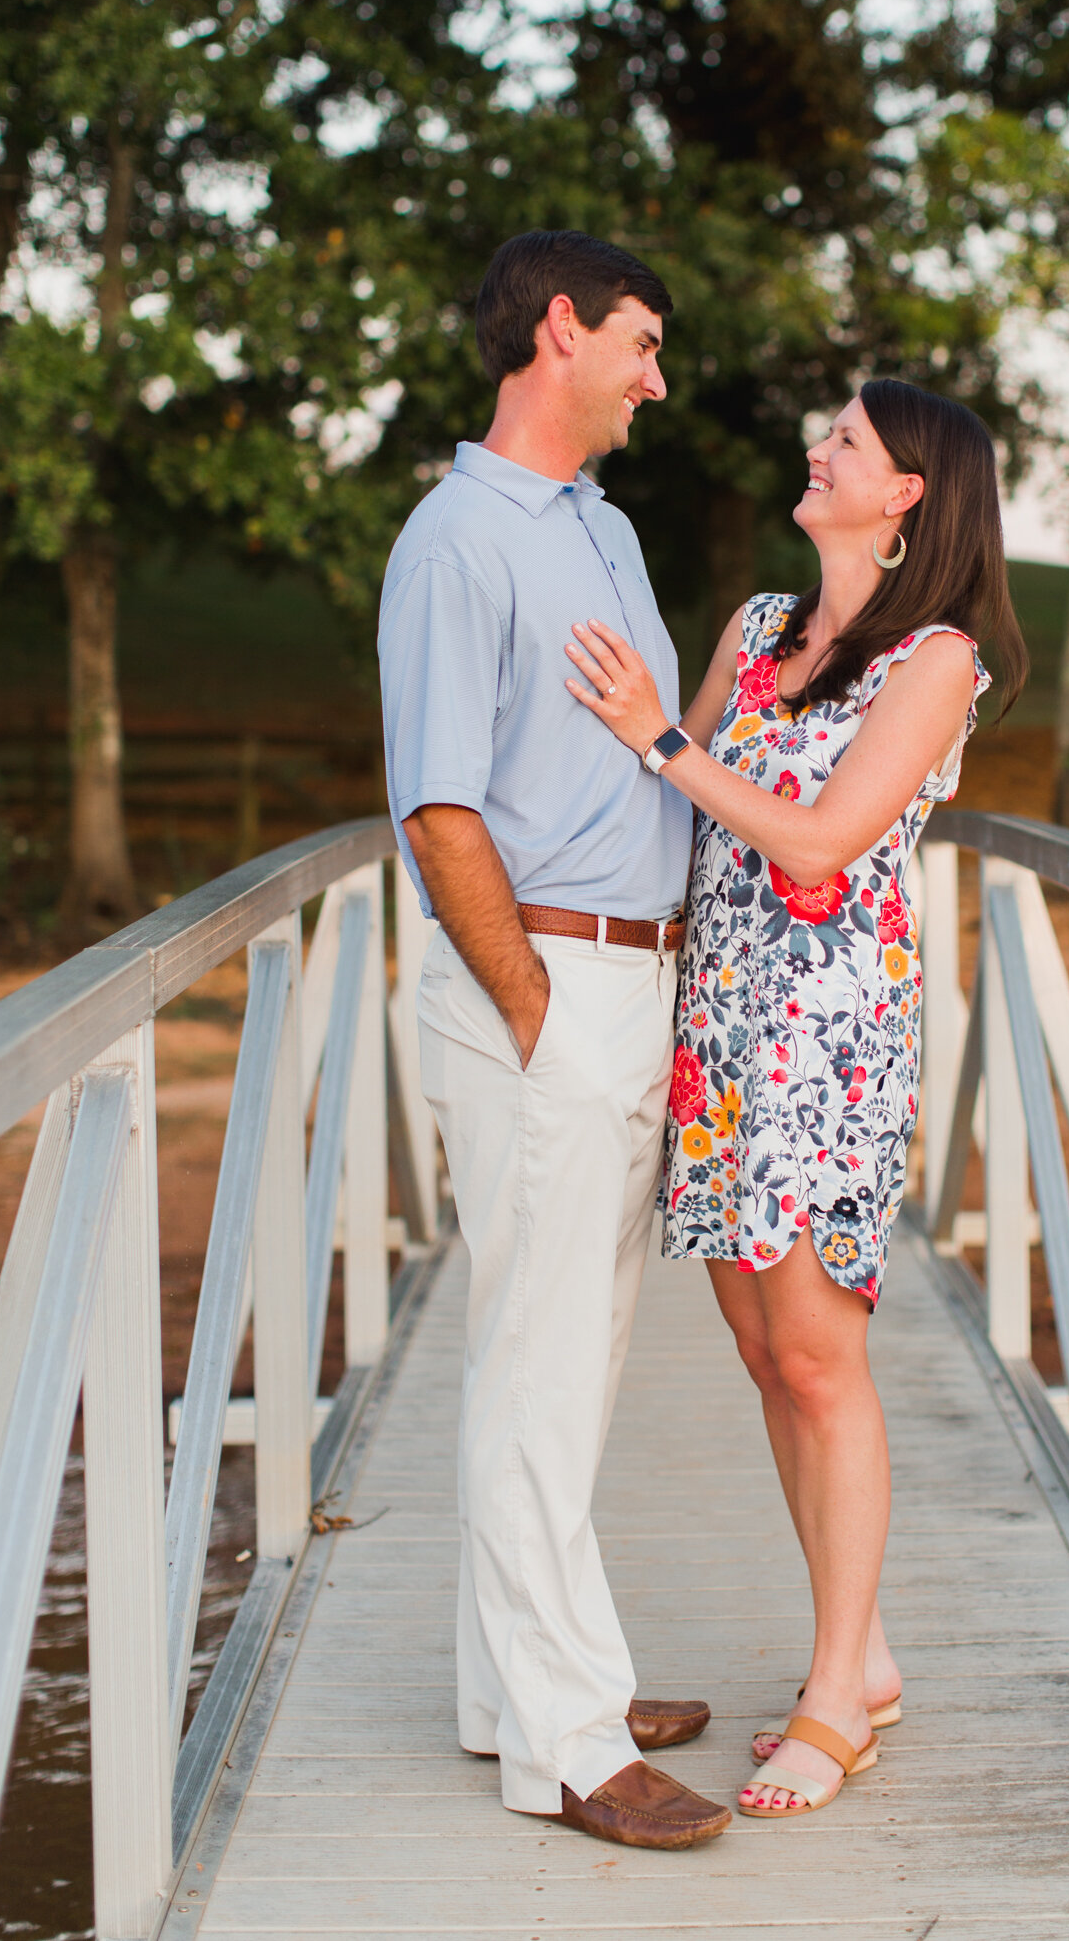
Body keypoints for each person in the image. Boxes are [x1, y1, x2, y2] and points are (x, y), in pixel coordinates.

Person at [564, 378, 1027, 1818]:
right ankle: (863, 1650)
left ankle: (837, 1692)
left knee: (824, 1362)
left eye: (844, 441)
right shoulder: (759, 630)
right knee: (769, 1359)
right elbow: (666, 809)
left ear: (904, 495)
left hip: (826, 1048)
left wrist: (661, 738)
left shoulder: (935, 662)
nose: (814, 451)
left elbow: (823, 838)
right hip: (718, 1032)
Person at [378, 230, 730, 1851]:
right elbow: (439, 805)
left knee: (561, 1356)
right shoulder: (458, 542)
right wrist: (533, 1008)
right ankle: (570, 1745)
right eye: (640, 345)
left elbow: (637, 761)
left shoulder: (598, 524)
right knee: (537, 1363)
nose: (657, 379)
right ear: (559, 330)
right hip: (549, 986)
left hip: (627, 977)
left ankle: (509, 1682)